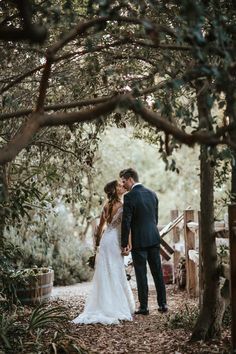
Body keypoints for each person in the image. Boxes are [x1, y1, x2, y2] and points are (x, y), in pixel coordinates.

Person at [72, 180, 135, 325]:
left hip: (106, 240)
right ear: (114, 191)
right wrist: (128, 243)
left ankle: (103, 304)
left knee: (105, 272)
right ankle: (114, 306)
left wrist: (97, 246)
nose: (122, 187)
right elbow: (127, 226)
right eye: (119, 186)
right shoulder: (122, 206)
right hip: (114, 242)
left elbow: (99, 228)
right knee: (115, 270)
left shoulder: (105, 206)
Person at [120, 168, 167, 315]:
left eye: (123, 181)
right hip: (153, 238)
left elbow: (126, 222)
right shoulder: (152, 194)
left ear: (130, 179)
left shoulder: (129, 197)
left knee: (141, 274)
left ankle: (144, 307)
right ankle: (163, 304)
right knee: (157, 272)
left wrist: (124, 243)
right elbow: (155, 219)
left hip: (138, 241)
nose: (123, 185)